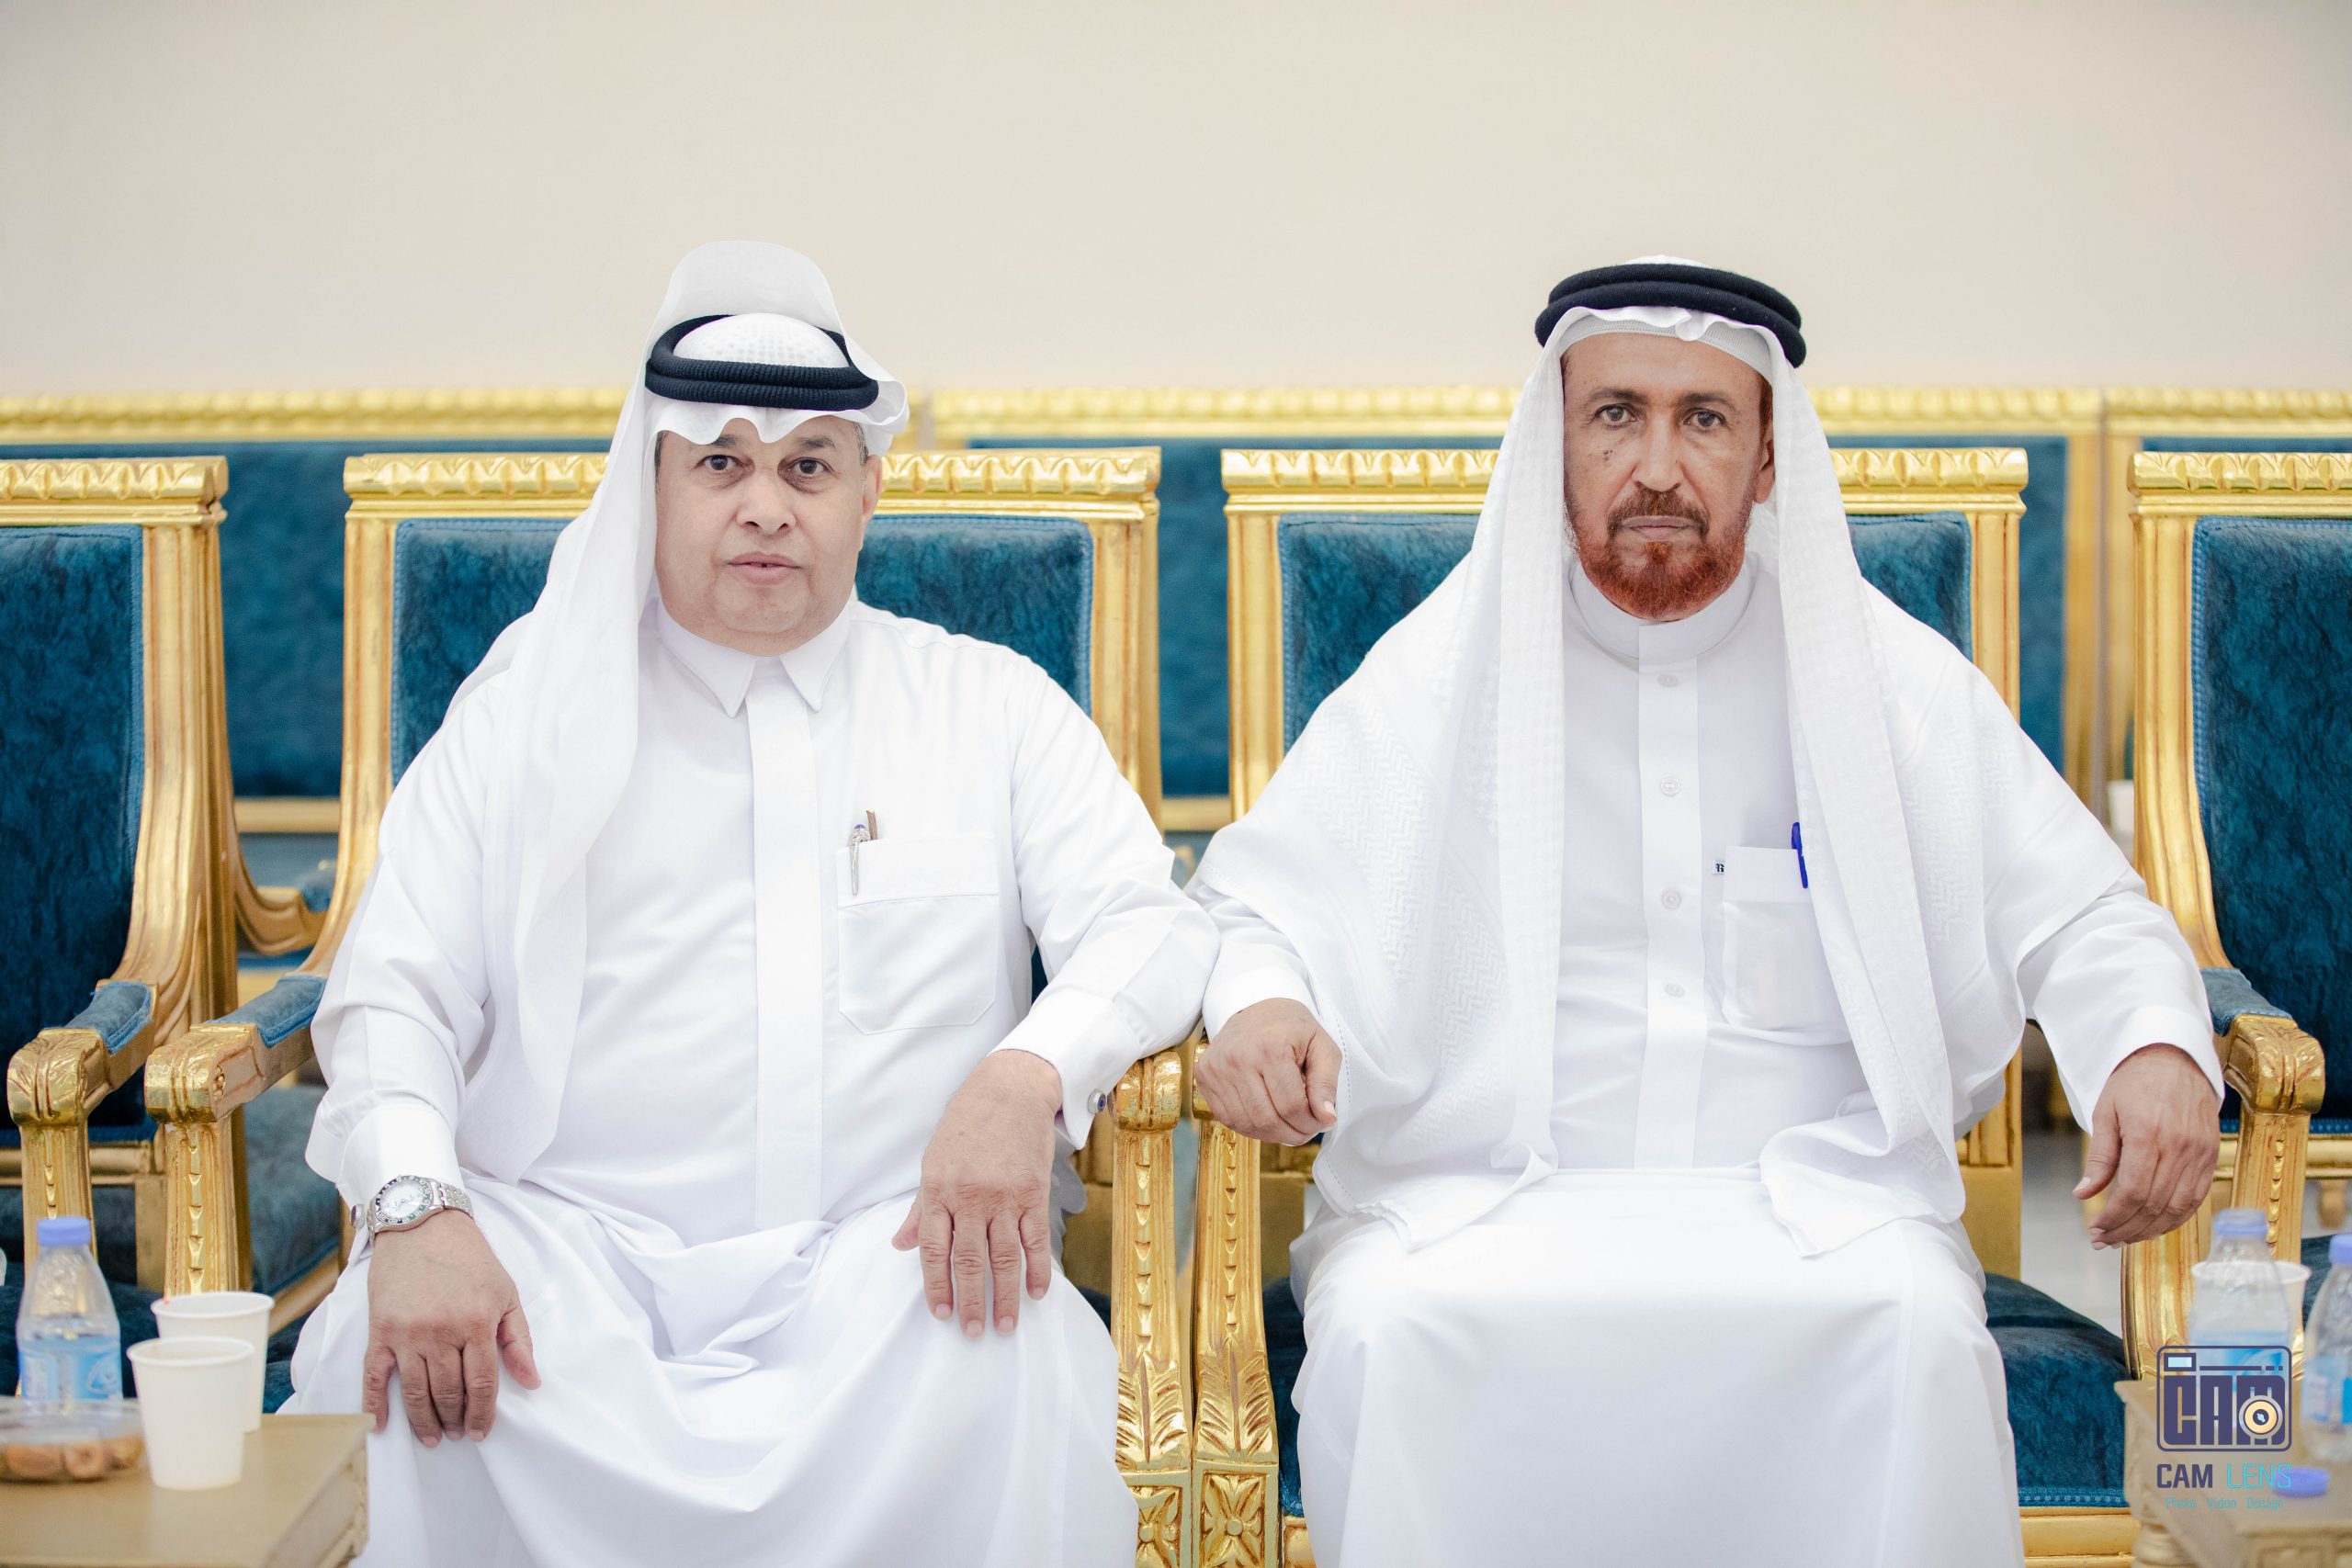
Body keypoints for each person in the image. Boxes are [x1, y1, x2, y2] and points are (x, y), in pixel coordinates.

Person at [1187, 259, 2220, 1567]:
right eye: (1617, 415)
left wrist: (2152, 1045)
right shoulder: (1443, 675)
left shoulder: (1881, 678)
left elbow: (2084, 910)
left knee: (1914, 1329)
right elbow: (1253, 902)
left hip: (1818, 1209)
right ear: (1557, 444)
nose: (1658, 467)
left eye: (1706, 419)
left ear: (1769, 457)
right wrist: (1261, 1006)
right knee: (1392, 1330)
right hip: (1481, 1202)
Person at [283, 241, 1214, 1567]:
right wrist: (420, 1213)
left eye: (808, 467)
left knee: (1011, 1374)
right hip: (563, 1260)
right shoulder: (527, 718)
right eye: (721, 463)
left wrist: (1028, 1076)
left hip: (888, 1265)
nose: (767, 506)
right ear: (653, 484)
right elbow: (392, 996)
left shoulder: (988, 707)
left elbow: (1148, 923)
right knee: (398, 1380)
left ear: (869, 489)